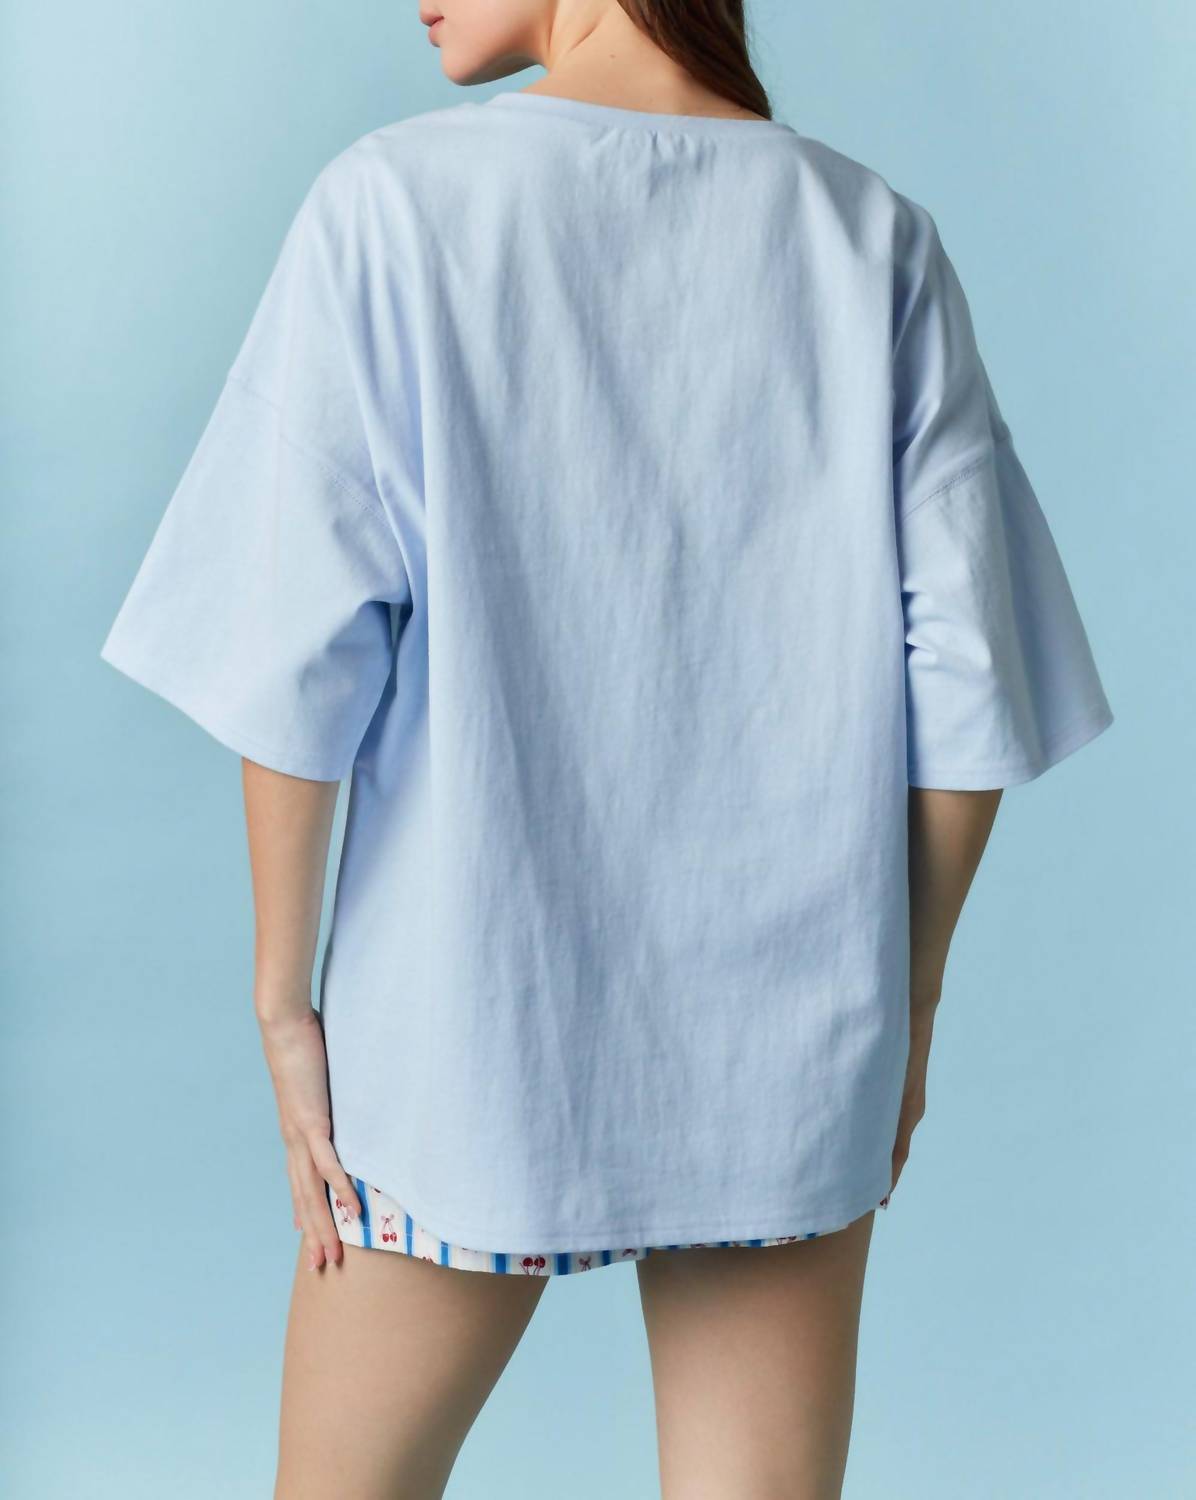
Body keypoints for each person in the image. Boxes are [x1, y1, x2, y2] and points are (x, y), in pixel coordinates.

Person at [98, 2, 1115, 1496]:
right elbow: (966, 686)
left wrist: (282, 1002)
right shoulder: (870, 239)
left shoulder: (391, 208)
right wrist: (906, 1000)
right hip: (787, 1051)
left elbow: (294, 650)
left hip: (462, 1039)